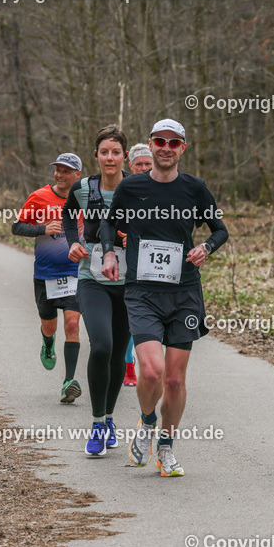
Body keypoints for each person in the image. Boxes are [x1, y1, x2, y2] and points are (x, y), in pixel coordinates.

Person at [100, 119, 228, 477]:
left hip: (185, 292)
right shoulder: (132, 187)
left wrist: (206, 247)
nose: (166, 148)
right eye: (160, 141)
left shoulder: (194, 188)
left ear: (182, 148)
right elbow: (109, 223)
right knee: (152, 371)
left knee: (174, 380)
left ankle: (167, 447)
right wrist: (109, 253)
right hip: (142, 291)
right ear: (151, 145)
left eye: (174, 143)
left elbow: (220, 229)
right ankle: (146, 424)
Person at [62, 126, 131, 456]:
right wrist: (73, 241)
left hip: (130, 281)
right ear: (96, 155)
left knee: (118, 353)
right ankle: (97, 423)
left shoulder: (136, 188)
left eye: (116, 152)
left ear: (124, 156)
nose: (110, 157)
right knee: (101, 345)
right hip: (92, 278)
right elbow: (65, 215)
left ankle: (110, 417)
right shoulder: (83, 188)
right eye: (104, 151)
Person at [11, 153, 83, 404]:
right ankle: (48, 343)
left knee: (72, 325)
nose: (60, 175)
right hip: (45, 275)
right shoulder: (39, 197)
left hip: (75, 273)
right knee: (50, 326)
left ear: (78, 175)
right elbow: (17, 227)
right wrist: (43, 228)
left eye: (66, 171)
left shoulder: (84, 199)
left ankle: (69, 382)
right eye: (57, 170)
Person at [122, 142, 153, 387]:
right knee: (126, 313)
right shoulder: (125, 188)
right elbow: (110, 220)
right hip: (124, 258)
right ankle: (126, 362)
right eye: (139, 164)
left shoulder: (166, 187)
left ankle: (133, 363)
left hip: (152, 262)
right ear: (130, 166)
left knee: (140, 315)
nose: (143, 168)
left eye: (147, 164)